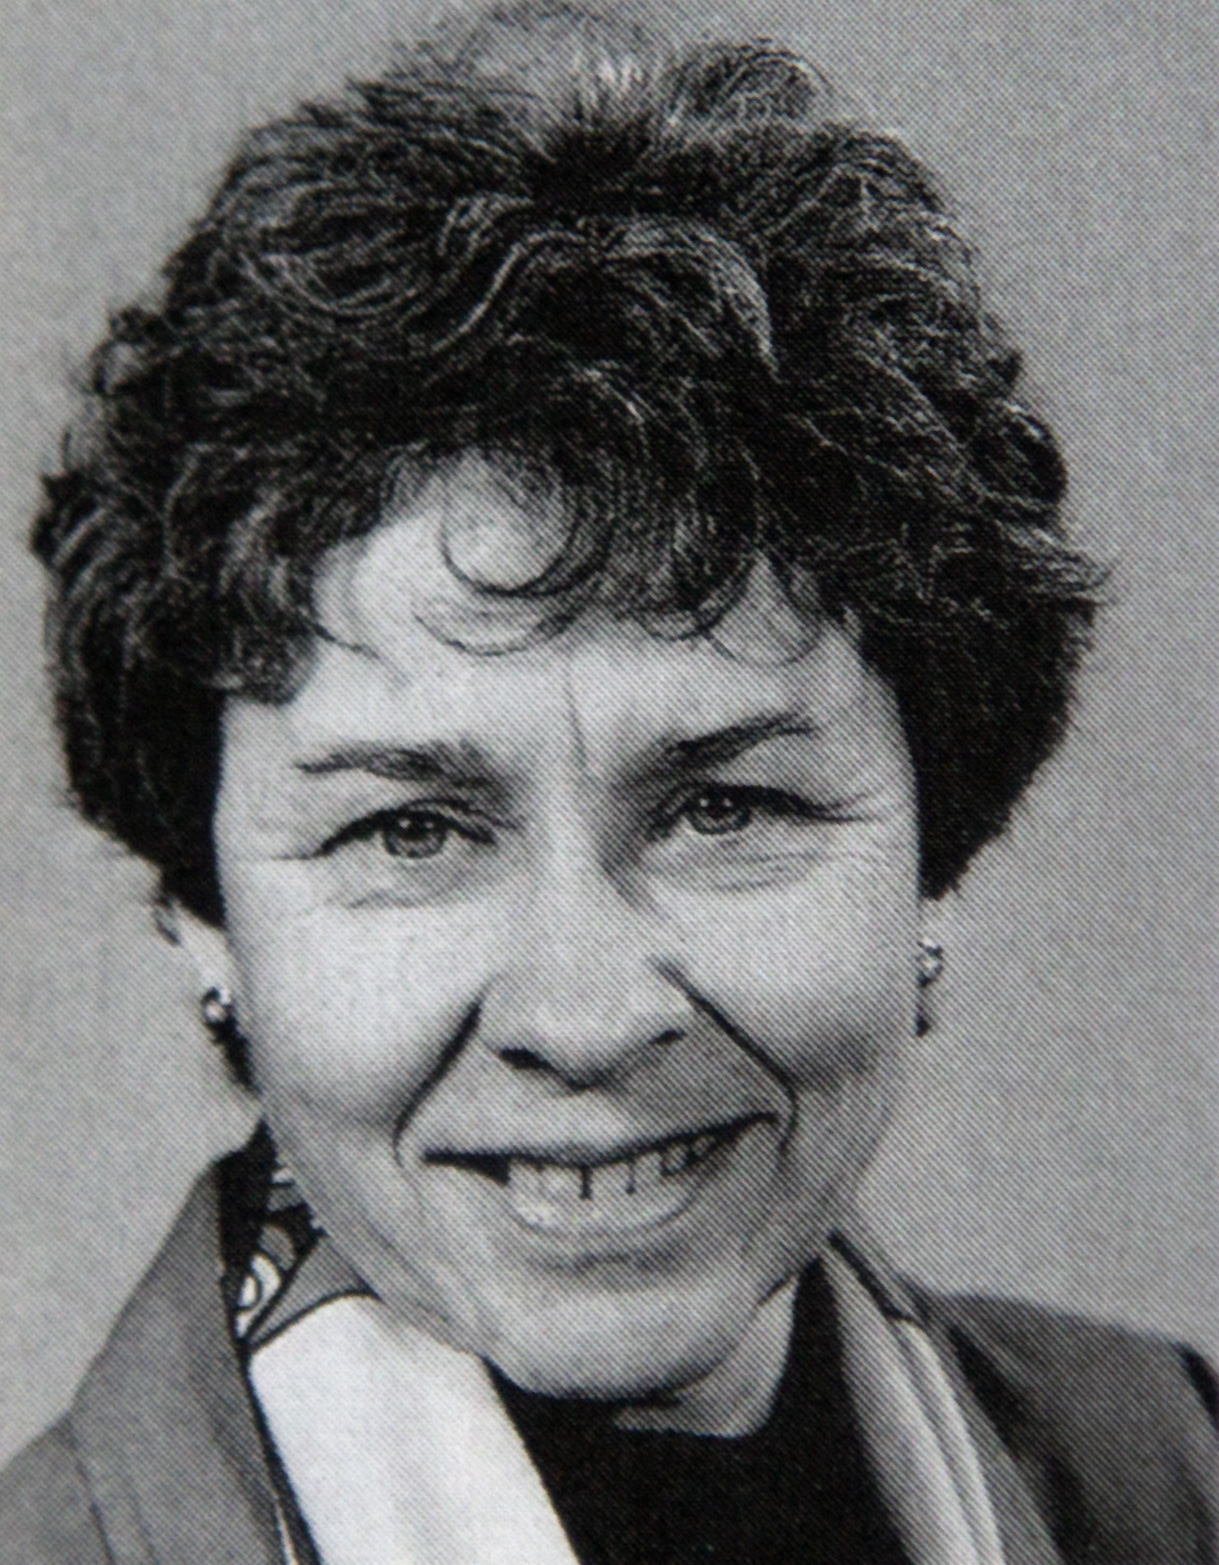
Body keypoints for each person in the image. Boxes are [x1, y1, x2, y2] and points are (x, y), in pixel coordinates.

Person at [1, 4, 1214, 1561]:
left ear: (937, 861)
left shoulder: (1174, 1482)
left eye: (725, 808)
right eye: (411, 829)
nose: (585, 1017)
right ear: (204, 917)